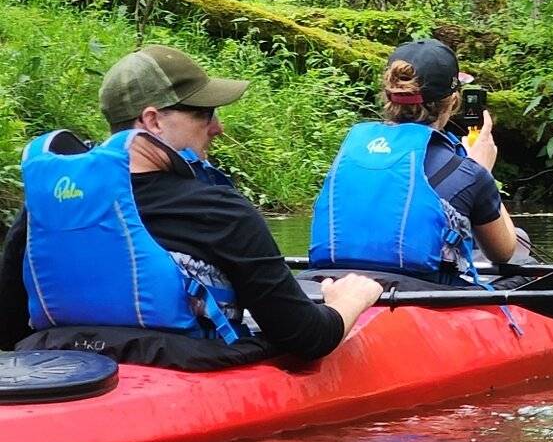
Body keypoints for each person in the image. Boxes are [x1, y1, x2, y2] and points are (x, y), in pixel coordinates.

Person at [0, 45, 384, 367]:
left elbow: (8, 329)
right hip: (180, 375)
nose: (217, 127)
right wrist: (348, 301)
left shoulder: (44, 211)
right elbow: (306, 338)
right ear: (152, 120)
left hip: (65, 369)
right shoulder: (216, 210)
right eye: (203, 113)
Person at [310, 39, 522, 283]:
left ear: (388, 97)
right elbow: (503, 253)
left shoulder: (352, 151)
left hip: (330, 281)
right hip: (415, 291)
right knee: (522, 269)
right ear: (453, 102)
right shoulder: (468, 172)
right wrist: (483, 170)